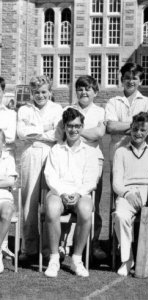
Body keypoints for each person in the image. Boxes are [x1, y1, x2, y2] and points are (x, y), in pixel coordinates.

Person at [113, 112, 148, 277]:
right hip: (128, 193)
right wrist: (127, 194)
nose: (138, 133)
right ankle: (127, 259)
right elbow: (116, 182)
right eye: (135, 129)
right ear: (130, 129)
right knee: (120, 216)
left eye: (142, 130)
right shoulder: (121, 152)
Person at [44, 107, 100, 278]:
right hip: (58, 193)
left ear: (82, 127)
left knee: (85, 210)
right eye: (70, 126)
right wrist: (61, 193)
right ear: (65, 127)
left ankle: (77, 259)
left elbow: (91, 179)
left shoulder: (90, 152)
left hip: (80, 194)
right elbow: (50, 176)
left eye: (77, 126)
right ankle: (54, 258)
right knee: (52, 209)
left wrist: (78, 193)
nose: (73, 129)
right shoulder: (56, 150)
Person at [56, 75, 106, 260]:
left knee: (93, 202)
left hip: (93, 159)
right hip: (71, 158)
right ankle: (64, 243)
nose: (84, 92)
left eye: (88, 89)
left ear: (95, 92)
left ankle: (93, 243)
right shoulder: (68, 109)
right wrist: (85, 131)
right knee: (67, 199)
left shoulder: (100, 111)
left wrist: (74, 129)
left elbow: (99, 133)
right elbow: (61, 135)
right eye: (80, 89)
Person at [17, 75, 63, 261]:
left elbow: (58, 134)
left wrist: (35, 131)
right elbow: (21, 133)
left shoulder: (57, 108)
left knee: (49, 201)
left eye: (43, 92)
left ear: (50, 92)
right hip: (31, 154)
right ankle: (29, 248)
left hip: (52, 155)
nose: (40, 95)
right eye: (36, 92)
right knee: (29, 202)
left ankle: (47, 248)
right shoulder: (24, 110)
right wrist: (45, 130)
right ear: (31, 92)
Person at [105, 62, 148, 163]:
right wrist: (138, 127)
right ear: (122, 80)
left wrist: (120, 127)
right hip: (116, 154)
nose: (130, 81)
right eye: (127, 78)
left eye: (134, 78)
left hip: (140, 154)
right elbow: (111, 127)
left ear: (141, 81)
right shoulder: (113, 101)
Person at [0, 79, 17, 259]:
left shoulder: (10, 114)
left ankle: (2, 246)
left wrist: (2, 136)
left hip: (5, 158)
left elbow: (10, 136)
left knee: (4, 203)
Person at [0, 130, 18, 273]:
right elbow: (6, 181)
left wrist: (6, 181)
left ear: (3, 143)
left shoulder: (8, 158)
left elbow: (11, 180)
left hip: (5, 197)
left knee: (6, 212)